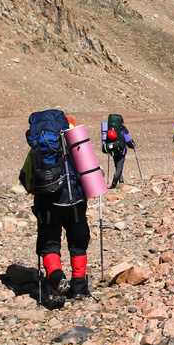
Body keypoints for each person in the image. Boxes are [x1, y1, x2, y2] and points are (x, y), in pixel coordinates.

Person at [24, 111, 91, 308]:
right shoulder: (77, 145)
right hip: (74, 201)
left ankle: (57, 278)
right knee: (78, 243)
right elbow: (92, 173)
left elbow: (27, 180)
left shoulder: (37, 149)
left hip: (47, 203)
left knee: (50, 244)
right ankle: (78, 288)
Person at [102, 114, 136, 189]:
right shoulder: (122, 128)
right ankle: (114, 182)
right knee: (119, 166)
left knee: (117, 165)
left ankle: (121, 181)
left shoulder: (109, 128)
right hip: (121, 150)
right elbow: (127, 140)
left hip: (113, 150)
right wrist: (132, 146)